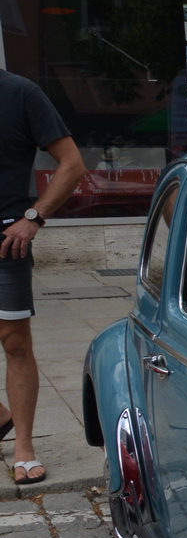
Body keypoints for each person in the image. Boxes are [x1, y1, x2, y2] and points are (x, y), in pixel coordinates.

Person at [1, 70, 86, 486]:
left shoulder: (21, 94)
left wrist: (33, 219)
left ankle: (24, 448)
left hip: (5, 240)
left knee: (15, 342)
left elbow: (72, 165)